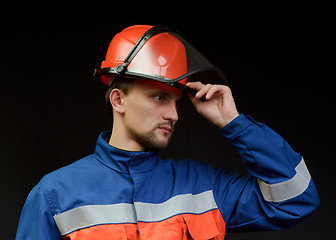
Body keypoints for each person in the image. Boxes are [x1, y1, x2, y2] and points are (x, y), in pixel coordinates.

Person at [16, 25, 319, 240]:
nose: (174, 115)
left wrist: (233, 122)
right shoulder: (54, 195)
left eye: (176, 102)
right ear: (118, 99)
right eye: (159, 97)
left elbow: (295, 198)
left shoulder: (203, 187)